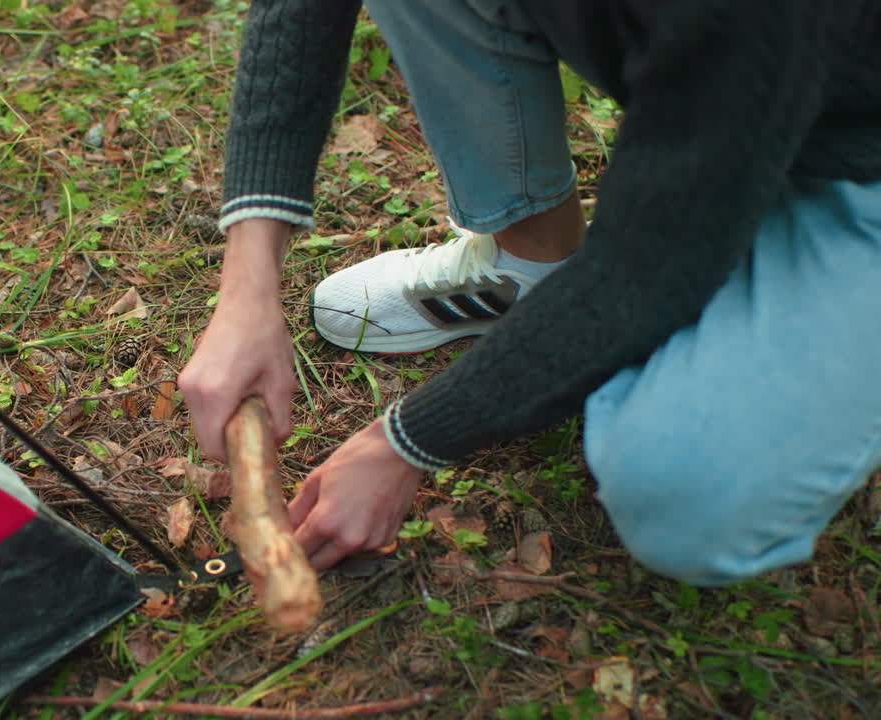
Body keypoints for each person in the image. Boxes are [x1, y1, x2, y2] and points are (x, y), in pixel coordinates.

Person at [178, 0, 881, 586]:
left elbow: (652, 262)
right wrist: (247, 285)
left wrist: (404, 443)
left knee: (682, 497)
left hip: (854, 161)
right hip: (721, 96)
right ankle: (535, 267)